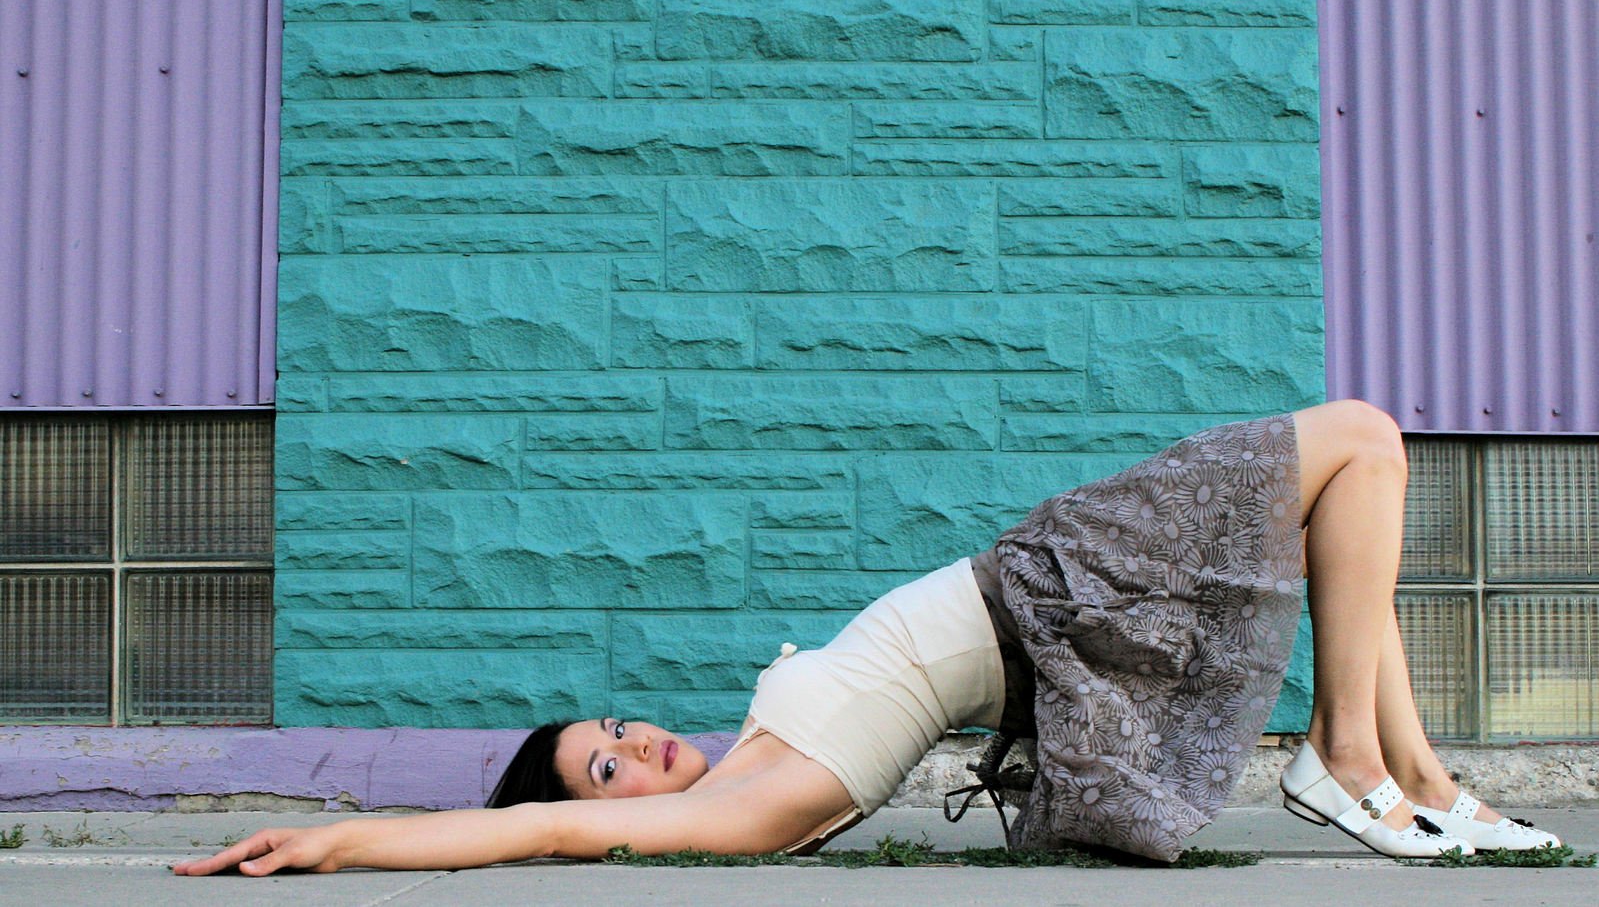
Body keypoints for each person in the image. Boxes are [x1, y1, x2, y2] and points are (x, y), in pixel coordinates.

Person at [173, 400, 1560, 877]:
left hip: (1039, 576)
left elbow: (548, 816)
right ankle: (1354, 759)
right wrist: (333, 842)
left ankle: (1415, 778)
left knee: (1362, 469)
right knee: (1360, 444)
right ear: (607, 821)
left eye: (611, 730)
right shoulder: (737, 811)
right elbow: (520, 834)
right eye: (608, 772)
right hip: (1045, 592)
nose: (634, 745)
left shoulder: (751, 754)